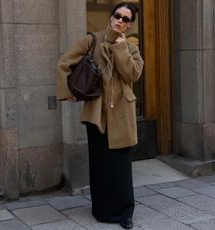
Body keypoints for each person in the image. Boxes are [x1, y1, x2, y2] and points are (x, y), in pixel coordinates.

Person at [57, 2, 144, 229]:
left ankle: (125, 213)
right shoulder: (92, 40)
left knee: (121, 167)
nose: (120, 21)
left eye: (126, 19)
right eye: (118, 15)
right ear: (111, 15)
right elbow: (64, 62)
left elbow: (132, 75)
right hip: (97, 114)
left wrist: (121, 48)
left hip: (122, 114)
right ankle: (101, 210)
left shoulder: (132, 48)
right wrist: (69, 93)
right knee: (100, 165)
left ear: (130, 24)